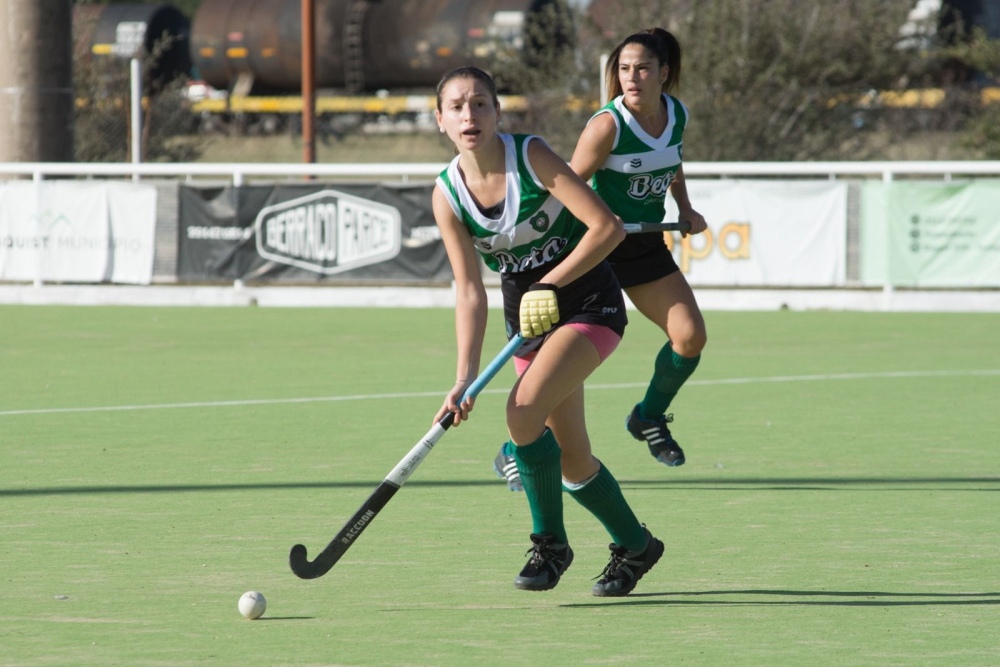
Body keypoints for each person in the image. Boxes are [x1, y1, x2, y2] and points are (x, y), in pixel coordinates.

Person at [432, 65, 663, 596]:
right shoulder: (447, 195)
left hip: (588, 305)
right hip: (527, 323)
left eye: (481, 104)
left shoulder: (530, 156)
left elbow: (606, 228)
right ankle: (636, 546)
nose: (471, 115)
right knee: (573, 458)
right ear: (440, 119)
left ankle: (550, 544)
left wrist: (550, 283)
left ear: (497, 111)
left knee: (522, 411)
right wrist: (464, 376)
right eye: (458, 107)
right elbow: (469, 290)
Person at [494, 27, 708, 492]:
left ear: (663, 74)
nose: (632, 78)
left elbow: (673, 161)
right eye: (624, 70)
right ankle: (514, 447)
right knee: (565, 365)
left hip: (646, 246)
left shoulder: (677, 114)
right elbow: (566, 192)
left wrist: (684, 207)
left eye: (643, 69)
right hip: (597, 250)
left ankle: (647, 417)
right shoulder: (606, 126)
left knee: (690, 337)